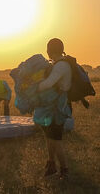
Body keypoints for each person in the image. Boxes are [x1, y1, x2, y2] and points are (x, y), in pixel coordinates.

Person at [36, 38, 72, 180]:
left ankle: (64, 170)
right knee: (49, 136)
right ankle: (51, 164)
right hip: (53, 107)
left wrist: (34, 88)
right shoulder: (58, 64)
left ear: (51, 50)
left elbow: (48, 84)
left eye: (48, 49)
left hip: (59, 108)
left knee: (56, 139)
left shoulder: (61, 66)